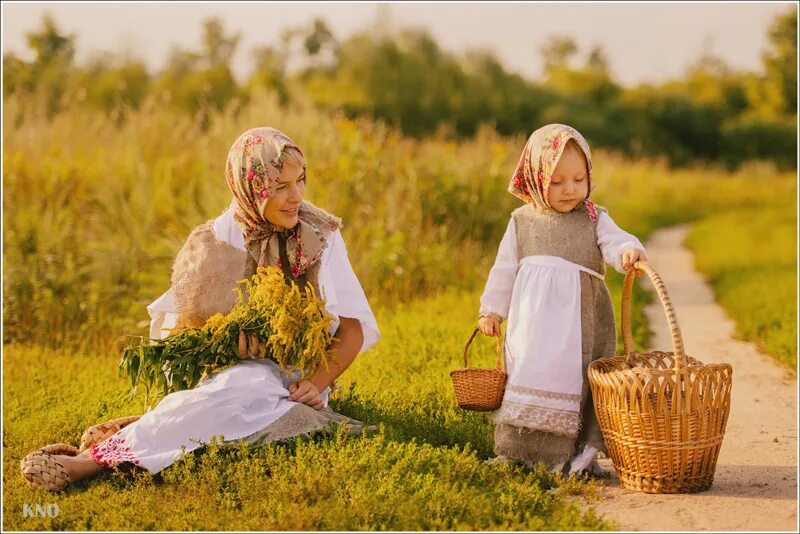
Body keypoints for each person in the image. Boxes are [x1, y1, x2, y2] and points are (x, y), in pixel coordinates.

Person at [21, 127, 380, 491]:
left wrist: (315, 385)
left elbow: (352, 330)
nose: (296, 197)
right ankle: (98, 458)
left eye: (300, 181)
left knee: (245, 396)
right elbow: (182, 329)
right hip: (229, 374)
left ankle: (103, 455)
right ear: (250, 186)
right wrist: (224, 348)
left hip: (299, 378)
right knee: (239, 390)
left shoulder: (320, 235)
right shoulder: (214, 241)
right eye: (280, 186)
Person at [477, 123, 646, 476]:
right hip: (533, 327)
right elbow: (504, 268)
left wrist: (627, 251)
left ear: (589, 176)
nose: (570, 190)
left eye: (578, 179)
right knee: (529, 375)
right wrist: (492, 309)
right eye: (556, 181)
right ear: (536, 179)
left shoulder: (593, 217)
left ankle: (578, 452)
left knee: (582, 380)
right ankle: (520, 450)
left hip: (582, 323)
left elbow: (615, 240)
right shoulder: (521, 221)